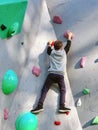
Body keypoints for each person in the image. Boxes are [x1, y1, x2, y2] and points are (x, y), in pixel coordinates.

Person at [31, 32, 73, 114]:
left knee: (45, 90)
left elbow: (48, 50)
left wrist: (50, 44)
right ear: (61, 48)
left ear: (54, 47)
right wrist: (69, 37)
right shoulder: (64, 52)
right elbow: (68, 45)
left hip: (51, 75)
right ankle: (62, 105)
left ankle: (40, 105)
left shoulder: (52, 52)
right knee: (63, 90)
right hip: (60, 75)